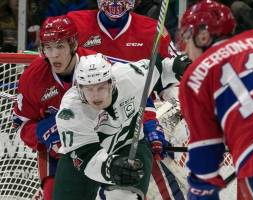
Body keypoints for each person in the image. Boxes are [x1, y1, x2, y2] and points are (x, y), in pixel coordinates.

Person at [178, 0, 253, 200]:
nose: (185, 49)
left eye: (187, 37)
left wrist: (201, 193)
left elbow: (206, 148)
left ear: (202, 36)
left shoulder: (194, 75)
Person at [67, 1, 185, 198]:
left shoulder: (152, 31)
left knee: (127, 188)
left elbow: (172, 84)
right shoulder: (74, 24)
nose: (115, 2)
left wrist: (159, 120)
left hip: (136, 120)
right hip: (88, 120)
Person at [53, 53, 188, 199]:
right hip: (82, 162)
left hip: (130, 145)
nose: (96, 96)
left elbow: (163, 69)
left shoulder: (130, 76)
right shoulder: (71, 111)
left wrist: (180, 66)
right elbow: (87, 157)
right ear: (79, 88)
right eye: (89, 89)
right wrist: (111, 166)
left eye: (101, 87)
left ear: (112, 82)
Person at [12, 15, 96, 200]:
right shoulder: (32, 78)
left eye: (59, 46)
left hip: (97, 146)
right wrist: (43, 131)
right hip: (56, 157)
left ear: (73, 44)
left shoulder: (97, 64)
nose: (54, 55)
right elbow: (21, 124)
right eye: (48, 47)